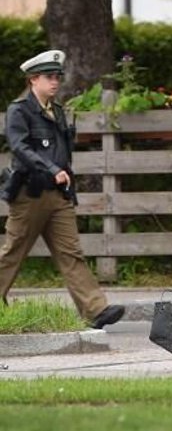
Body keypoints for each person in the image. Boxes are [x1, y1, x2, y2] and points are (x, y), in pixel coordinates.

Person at [0, 50, 125, 329]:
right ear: (33, 79)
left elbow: (62, 153)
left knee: (71, 253)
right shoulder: (19, 110)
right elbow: (20, 148)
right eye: (49, 76)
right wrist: (51, 169)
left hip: (58, 196)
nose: (55, 81)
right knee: (13, 253)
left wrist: (65, 176)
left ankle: (95, 310)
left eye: (57, 76)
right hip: (30, 195)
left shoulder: (57, 111)